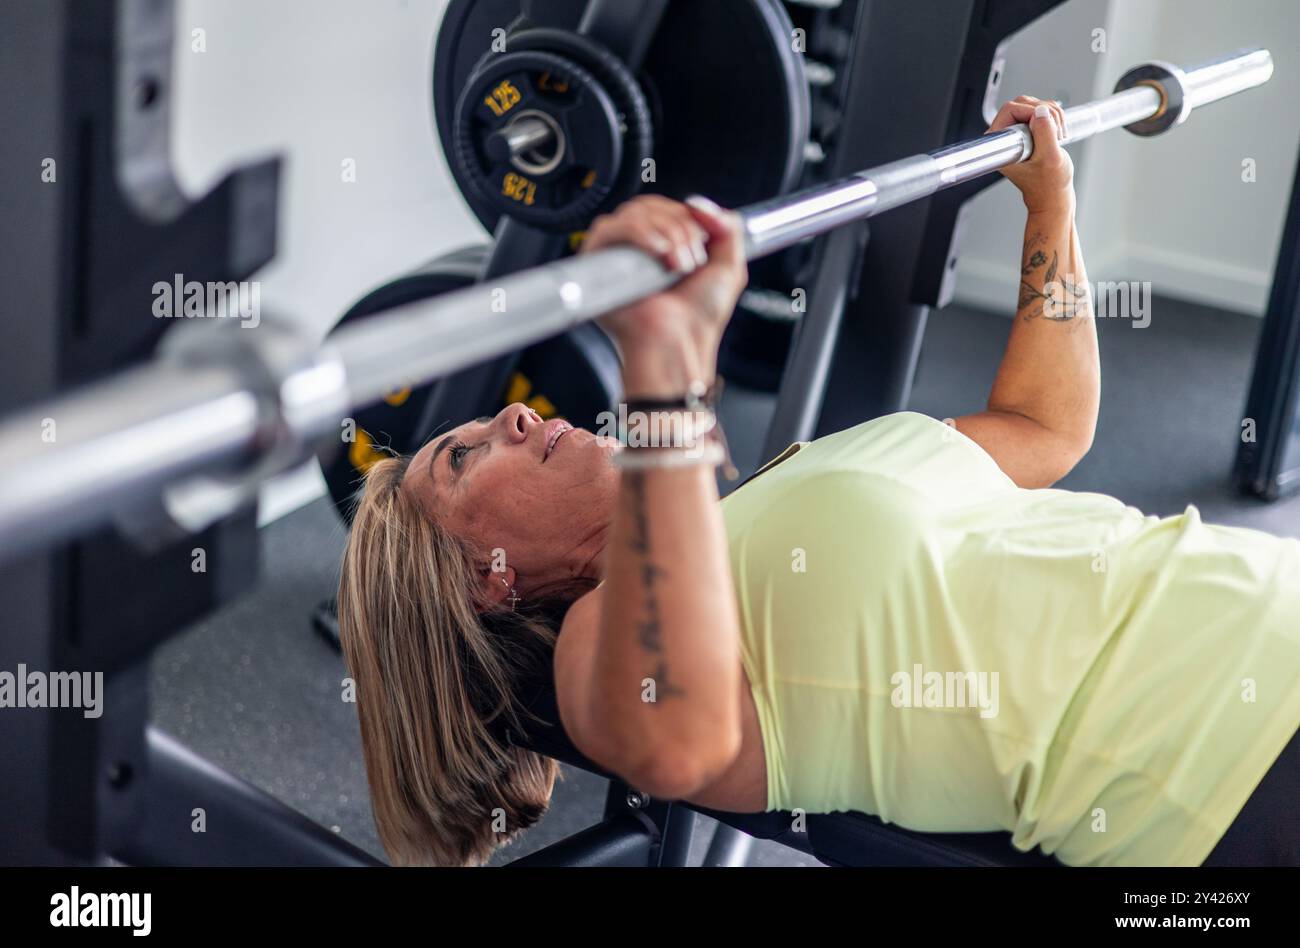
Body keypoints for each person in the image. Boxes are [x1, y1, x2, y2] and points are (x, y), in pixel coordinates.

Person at [337, 96, 1300, 866]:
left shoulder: (758, 504)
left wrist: (1050, 206)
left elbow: (1044, 429)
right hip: (1223, 758)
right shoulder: (594, 659)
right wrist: (668, 375)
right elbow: (680, 746)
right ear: (485, 578)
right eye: (462, 458)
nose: (513, 414)